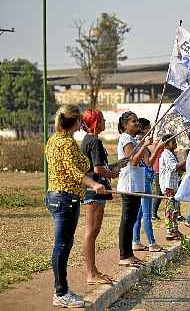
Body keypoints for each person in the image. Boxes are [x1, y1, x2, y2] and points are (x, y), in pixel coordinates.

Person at [45, 104, 106, 308]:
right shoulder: (67, 144)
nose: (82, 124)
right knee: (62, 246)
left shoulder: (55, 140)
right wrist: (95, 184)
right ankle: (60, 293)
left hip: (56, 197)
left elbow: (77, 167)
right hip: (66, 199)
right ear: (76, 121)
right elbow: (76, 172)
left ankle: (61, 290)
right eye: (80, 120)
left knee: (63, 245)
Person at [81, 109, 119, 286]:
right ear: (95, 123)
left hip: (95, 191)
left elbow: (98, 166)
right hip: (95, 192)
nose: (104, 121)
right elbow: (98, 170)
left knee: (93, 232)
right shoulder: (94, 141)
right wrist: (111, 173)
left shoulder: (88, 141)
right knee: (91, 232)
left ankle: (93, 271)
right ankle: (91, 273)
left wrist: (114, 167)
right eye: (102, 119)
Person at [117, 111, 152, 268]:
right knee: (127, 220)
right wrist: (144, 145)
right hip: (129, 185)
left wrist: (145, 143)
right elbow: (133, 162)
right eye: (133, 121)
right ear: (125, 125)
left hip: (136, 185)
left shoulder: (133, 139)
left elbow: (146, 161)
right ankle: (124, 255)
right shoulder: (125, 138)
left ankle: (129, 254)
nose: (137, 123)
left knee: (131, 220)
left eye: (137, 120)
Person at [132, 118, 164, 252]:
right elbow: (149, 163)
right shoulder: (142, 143)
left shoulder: (136, 141)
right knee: (146, 213)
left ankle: (136, 241)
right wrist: (158, 148)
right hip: (145, 180)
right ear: (145, 129)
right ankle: (152, 242)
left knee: (138, 213)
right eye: (150, 128)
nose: (151, 131)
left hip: (140, 179)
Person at [159, 136, 187, 240]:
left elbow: (178, 169)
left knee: (175, 209)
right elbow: (175, 167)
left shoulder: (171, 154)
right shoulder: (166, 154)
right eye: (173, 142)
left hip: (173, 185)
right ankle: (170, 231)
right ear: (166, 144)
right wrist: (186, 161)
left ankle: (174, 229)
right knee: (170, 208)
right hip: (168, 186)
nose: (175, 144)